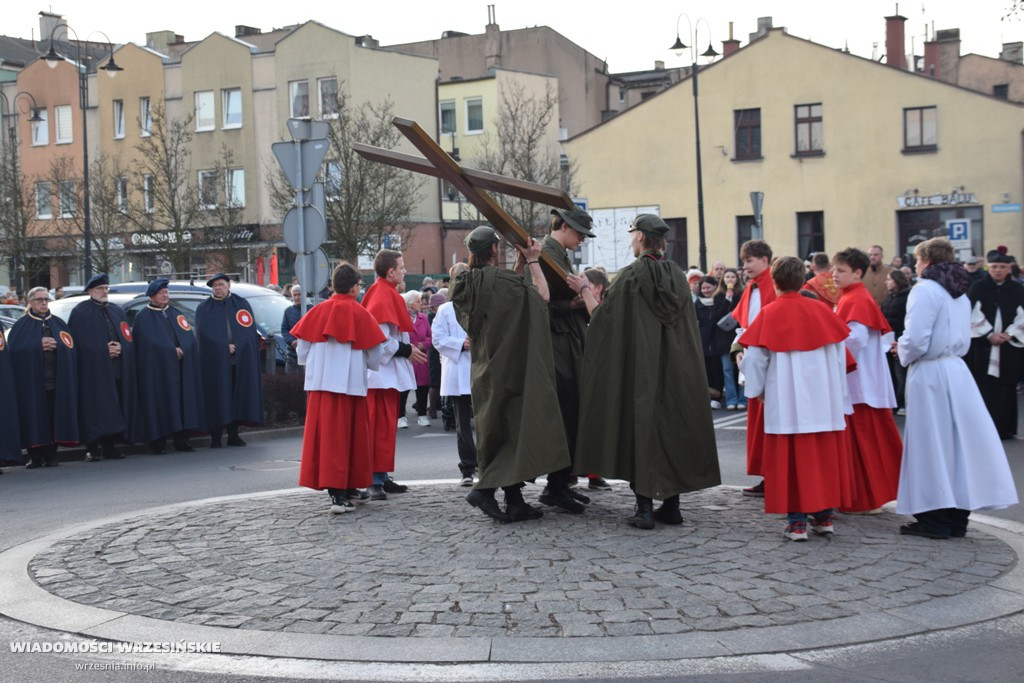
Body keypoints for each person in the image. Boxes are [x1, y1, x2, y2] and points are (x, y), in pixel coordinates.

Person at [572, 214, 721, 529]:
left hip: (642, 369)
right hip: (676, 369)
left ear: (640, 237)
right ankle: (672, 506)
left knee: (640, 428)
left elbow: (603, 321)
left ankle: (643, 510)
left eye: (631, 234)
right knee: (670, 429)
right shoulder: (679, 278)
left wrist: (585, 289)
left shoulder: (632, 276)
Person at [897, 237, 1018, 539]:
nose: (915, 265)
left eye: (917, 259)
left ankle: (934, 518)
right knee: (956, 446)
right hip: (956, 370)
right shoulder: (959, 292)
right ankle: (956, 516)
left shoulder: (924, 290)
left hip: (930, 373)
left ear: (926, 261)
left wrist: (901, 352)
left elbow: (916, 339)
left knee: (931, 445)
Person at [450, 226, 571, 523]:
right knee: (514, 431)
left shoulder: (464, 283)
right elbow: (539, 295)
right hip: (510, 366)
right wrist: (531, 261)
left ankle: (515, 502)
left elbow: (506, 292)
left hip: (483, 367)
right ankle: (485, 490)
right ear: (493, 250)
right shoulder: (501, 281)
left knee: (497, 434)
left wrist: (518, 266)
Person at [739, 257, 854, 541]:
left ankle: (797, 523)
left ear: (775, 282)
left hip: (788, 400)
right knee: (823, 459)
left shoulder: (770, 313)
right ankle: (825, 517)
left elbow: (755, 361)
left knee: (791, 462)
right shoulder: (825, 312)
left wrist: (755, 390)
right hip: (824, 401)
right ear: (801, 280)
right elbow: (840, 358)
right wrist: (838, 393)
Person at [291, 263, 387, 514]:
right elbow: (375, 355)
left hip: (321, 385)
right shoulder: (361, 313)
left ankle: (348, 489)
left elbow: (302, 351)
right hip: (351, 385)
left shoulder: (317, 311)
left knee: (329, 440)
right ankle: (339, 495)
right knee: (351, 439)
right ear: (355, 288)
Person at [525, 207, 597, 513]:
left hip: (567, 342)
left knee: (571, 413)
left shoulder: (557, 253)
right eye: (579, 232)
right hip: (558, 346)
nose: (581, 239)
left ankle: (560, 483)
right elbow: (537, 303)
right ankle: (555, 486)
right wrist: (571, 304)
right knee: (565, 413)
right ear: (564, 226)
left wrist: (574, 303)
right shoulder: (547, 253)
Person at [832, 248, 903, 513]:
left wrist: (831, 356)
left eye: (841, 271)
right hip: (860, 379)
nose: (834, 275)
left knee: (865, 444)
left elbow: (856, 339)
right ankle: (866, 496)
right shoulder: (852, 296)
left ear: (858, 273)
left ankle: (865, 498)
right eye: (834, 269)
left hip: (858, 381)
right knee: (868, 443)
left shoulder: (856, 299)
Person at [362, 249, 427, 499]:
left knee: (385, 428)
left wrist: (406, 349)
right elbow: (379, 340)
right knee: (378, 428)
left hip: (385, 375)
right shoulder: (381, 295)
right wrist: (406, 350)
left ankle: (382, 475)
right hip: (379, 376)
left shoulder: (385, 292)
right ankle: (374, 479)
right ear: (391, 272)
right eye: (402, 267)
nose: (405, 271)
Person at [68, 273, 136, 461]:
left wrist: (122, 346)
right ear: (90, 291)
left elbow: (127, 336)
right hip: (94, 370)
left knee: (114, 406)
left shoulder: (116, 310)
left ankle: (110, 445)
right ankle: (93, 446)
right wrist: (102, 350)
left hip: (116, 367)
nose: (104, 292)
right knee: (95, 407)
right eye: (100, 289)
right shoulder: (80, 312)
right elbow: (78, 343)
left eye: (106, 288)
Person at [132, 279, 204, 454]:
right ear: (152, 296)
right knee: (160, 402)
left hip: (180, 368)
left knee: (181, 402)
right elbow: (148, 344)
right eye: (161, 293)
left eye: (166, 292)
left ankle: (182, 439)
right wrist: (170, 351)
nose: (165, 296)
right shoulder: (143, 317)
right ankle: (158, 441)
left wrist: (183, 348)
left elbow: (188, 336)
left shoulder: (175, 313)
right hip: (158, 371)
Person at [8, 287, 78, 468]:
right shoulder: (21, 325)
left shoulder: (59, 323)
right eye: (39, 299)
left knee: (54, 417)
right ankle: (35, 455)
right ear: (30, 302)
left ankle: (52, 455)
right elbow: (16, 351)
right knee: (35, 417)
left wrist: (58, 347)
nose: (44, 303)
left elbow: (71, 349)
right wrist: (37, 345)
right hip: (33, 382)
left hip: (56, 379)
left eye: (46, 299)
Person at [732, 239, 778, 497]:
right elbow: (744, 324)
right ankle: (766, 474)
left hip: (768, 362)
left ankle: (774, 474)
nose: (745, 266)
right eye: (744, 261)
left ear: (764, 260)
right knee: (758, 422)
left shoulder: (772, 286)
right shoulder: (752, 287)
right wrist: (738, 350)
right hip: (752, 358)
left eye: (749, 260)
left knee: (770, 421)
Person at [196, 274, 264, 448]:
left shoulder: (241, 304)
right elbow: (203, 336)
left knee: (236, 396)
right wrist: (222, 347)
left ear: (229, 285)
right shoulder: (204, 308)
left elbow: (249, 331)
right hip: (215, 363)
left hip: (238, 361)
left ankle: (234, 434)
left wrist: (240, 345)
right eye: (215, 286)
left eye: (221, 284)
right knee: (217, 396)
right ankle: (216, 436)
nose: (218, 288)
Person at [967, 249, 1024, 439]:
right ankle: (987, 430)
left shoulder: (1017, 289)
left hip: (1009, 347)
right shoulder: (978, 287)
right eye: (994, 267)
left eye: (1002, 267)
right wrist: (989, 334)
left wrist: (1009, 333)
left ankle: (1007, 428)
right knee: (986, 387)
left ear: (1009, 268)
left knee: (1007, 388)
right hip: (984, 346)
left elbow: (1022, 315)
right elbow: (971, 313)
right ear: (988, 267)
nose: (998, 270)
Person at [432, 263, 477, 486]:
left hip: (479, 369)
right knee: (463, 424)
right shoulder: (445, 310)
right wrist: (460, 344)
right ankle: (468, 467)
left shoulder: (479, 304)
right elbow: (438, 339)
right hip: (459, 369)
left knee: (485, 421)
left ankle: (485, 464)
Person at [397, 290, 432, 428]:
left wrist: (424, 344)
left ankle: (422, 415)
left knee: (422, 387)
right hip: (407, 357)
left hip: (421, 357)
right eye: (418, 301)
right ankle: (400, 416)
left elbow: (431, 336)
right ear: (409, 303)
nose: (421, 303)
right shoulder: (401, 317)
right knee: (403, 388)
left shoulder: (423, 318)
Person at [713, 269, 746, 411]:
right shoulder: (718, 296)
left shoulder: (742, 294)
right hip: (723, 338)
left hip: (738, 335)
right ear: (723, 280)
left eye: (733, 277)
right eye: (727, 277)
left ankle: (743, 399)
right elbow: (717, 316)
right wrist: (727, 300)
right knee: (727, 369)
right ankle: (731, 399)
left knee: (741, 368)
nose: (730, 279)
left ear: (737, 280)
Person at [880, 269, 911, 415]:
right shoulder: (889, 297)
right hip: (888, 340)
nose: (887, 282)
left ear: (897, 281)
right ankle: (894, 403)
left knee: (901, 374)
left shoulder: (907, 297)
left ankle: (902, 402)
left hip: (899, 339)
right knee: (891, 373)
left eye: (889, 279)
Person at [694, 276, 727, 410]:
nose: (705, 290)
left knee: (717, 370)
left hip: (717, 340)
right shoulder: (697, 303)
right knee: (705, 370)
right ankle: (708, 396)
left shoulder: (719, 301)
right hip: (703, 340)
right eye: (703, 288)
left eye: (708, 287)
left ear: (715, 287)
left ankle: (717, 397)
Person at [281, 286, 305, 373]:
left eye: (299, 294)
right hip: (291, 352)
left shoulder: (311, 309)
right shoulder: (288, 311)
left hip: (308, 352)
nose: (297, 297)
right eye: (295, 295)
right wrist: (292, 341)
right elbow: (284, 330)